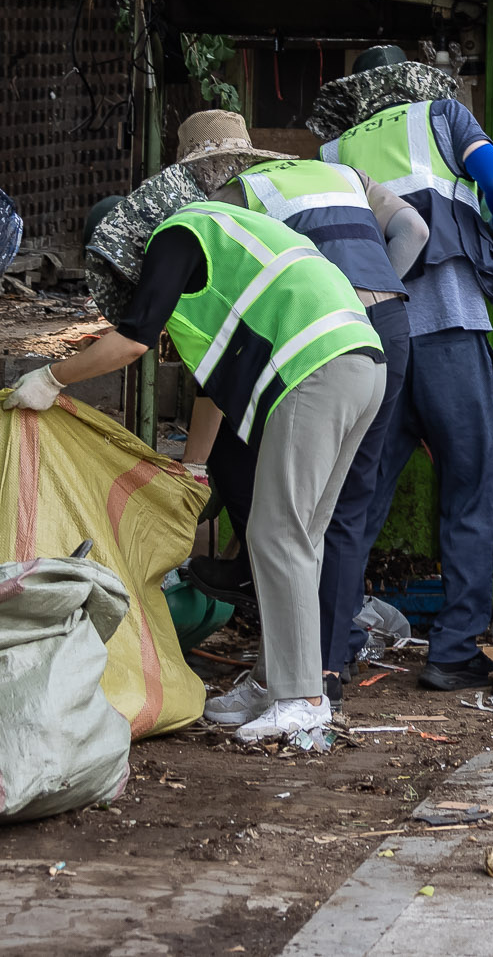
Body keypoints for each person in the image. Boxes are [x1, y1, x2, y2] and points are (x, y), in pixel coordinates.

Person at [12, 195, 386, 745]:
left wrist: (52, 378)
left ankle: (303, 698)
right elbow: (213, 390)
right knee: (299, 535)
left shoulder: (177, 234)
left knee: (278, 533)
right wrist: (192, 469)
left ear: (127, 247)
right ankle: (275, 681)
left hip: (318, 366)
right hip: (360, 362)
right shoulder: (223, 239)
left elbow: (132, 342)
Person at [133, 110, 427, 707]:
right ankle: (323, 670)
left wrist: (193, 467)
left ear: (200, 173)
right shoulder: (339, 173)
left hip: (309, 340)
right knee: (338, 512)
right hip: (383, 331)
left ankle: (296, 693)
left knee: (279, 520)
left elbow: (227, 353)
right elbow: (415, 232)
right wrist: (369, 300)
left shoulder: (233, 206)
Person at [312, 44, 493, 691]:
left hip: (372, 336)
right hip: (447, 326)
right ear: (411, 82)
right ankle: (452, 649)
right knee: (469, 484)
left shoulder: (331, 153)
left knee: (357, 498)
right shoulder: (443, 116)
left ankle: (332, 646)